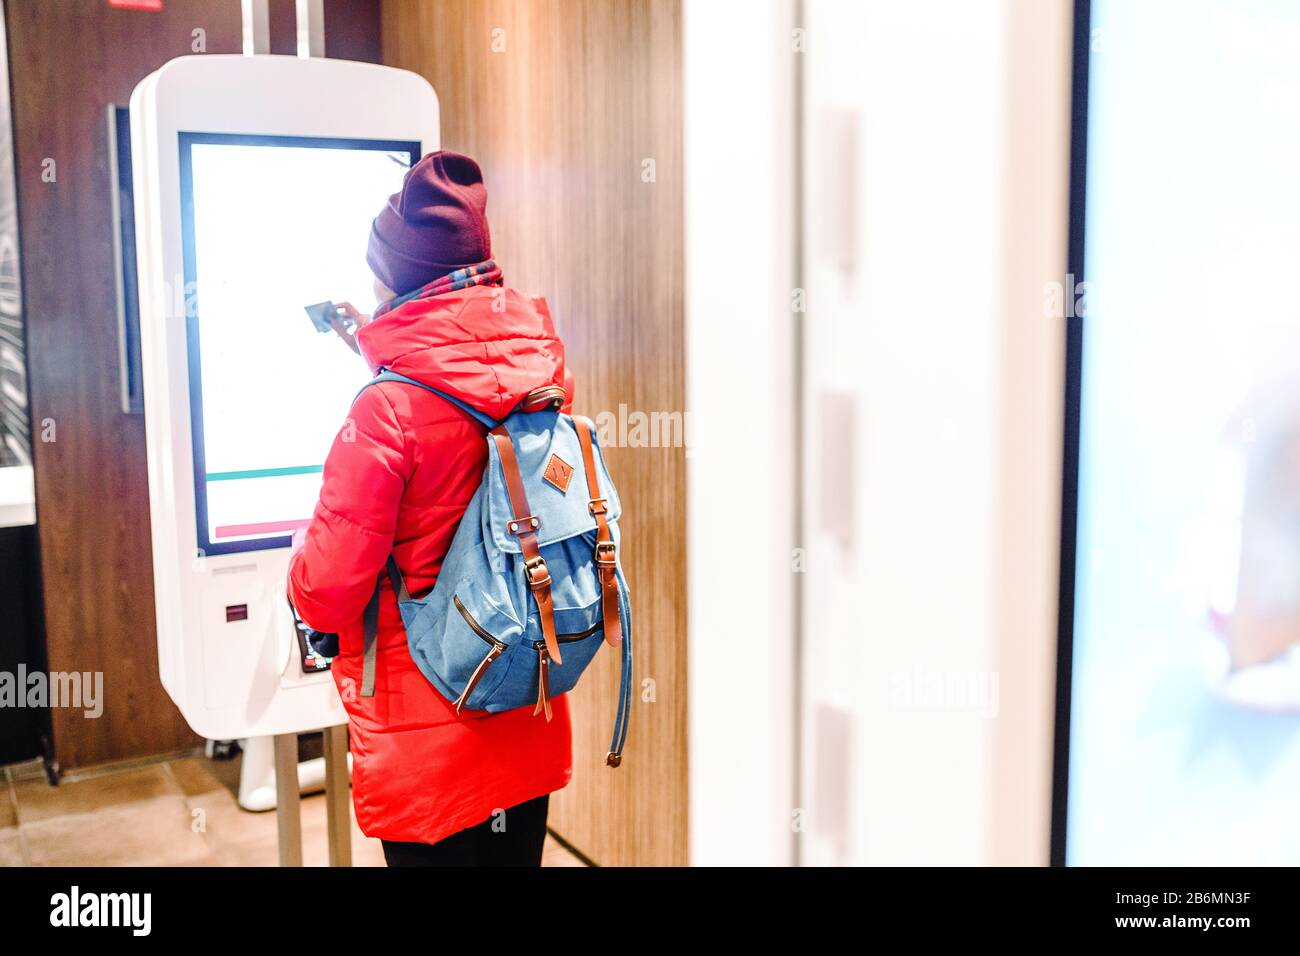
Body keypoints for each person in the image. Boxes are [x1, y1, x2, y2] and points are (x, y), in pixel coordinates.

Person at [287, 150, 574, 866]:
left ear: (396, 279)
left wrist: (297, 562)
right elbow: (460, 406)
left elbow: (326, 594)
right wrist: (381, 347)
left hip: (432, 743)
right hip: (522, 703)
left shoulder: (383, 413)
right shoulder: (537, 372)